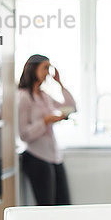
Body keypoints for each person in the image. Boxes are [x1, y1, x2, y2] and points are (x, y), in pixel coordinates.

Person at [18, 54, 76, 205]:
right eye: (45, 68)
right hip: (36, 157)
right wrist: (45, 121)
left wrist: (60, 83)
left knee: (64, 205)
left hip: (53, 156)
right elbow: (24, 134)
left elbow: (72, 107)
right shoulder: (23, 97)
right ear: (33, 69)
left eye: (49, 68)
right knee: (46, 207)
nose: (48, 72)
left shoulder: (44, 95)